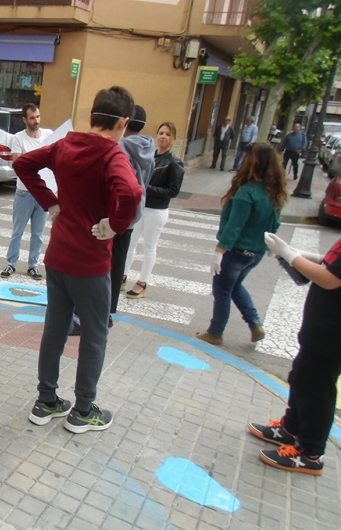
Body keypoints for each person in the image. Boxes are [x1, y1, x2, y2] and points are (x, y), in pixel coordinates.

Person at [13, 86, 142, 433]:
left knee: (55, 328)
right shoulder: (112, 155)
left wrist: (51, 202)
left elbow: (23, 163)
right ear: (123, 123)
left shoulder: (67, 144)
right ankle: (84, 410)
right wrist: (114, 225)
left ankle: (47, 400)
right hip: (90, 262)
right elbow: (131, 192)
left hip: (57, 257)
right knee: (95, 335)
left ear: (92, 116)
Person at [248, 232, 341, 476]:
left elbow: (331, 279)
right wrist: (303, 256)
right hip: (321, 325)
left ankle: (310, 453)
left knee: (316, 390)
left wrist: (291, 255)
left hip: (333, 333)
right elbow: (332, 262)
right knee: (301, 378)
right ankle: (291, 428)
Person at [70, 104, 155, 336]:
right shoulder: (148, 148)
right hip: (131, 216)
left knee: (99, 266)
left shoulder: (120, 148)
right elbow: (143, 185)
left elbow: (122, 186)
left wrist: (112, 218)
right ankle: (106, 312)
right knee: (117, 265)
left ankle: (87, 316)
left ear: (123, 123)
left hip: (113, 216)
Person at [195, 143, 287, 346]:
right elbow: (276, 224)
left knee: (222, 290)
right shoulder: (273, 192)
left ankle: (215, 332)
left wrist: (219, 251)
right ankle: (255, 324)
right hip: (257, 252)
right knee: (235, 286)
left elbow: (235, 226)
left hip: (237, 251)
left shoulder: (248, 192)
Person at [124, 122, 185, 299]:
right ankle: (123, 275)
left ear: (172, 138)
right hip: (142, 207)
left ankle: (142, 283)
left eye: (167, 134)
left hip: (157, 210)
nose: (163, 137)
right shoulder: (151, 156)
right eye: (160, 133)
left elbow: (173, 191)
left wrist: (147, 188)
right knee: (130, 244)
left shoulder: (174, 163)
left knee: (149, 247)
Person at [1, 103, 53, 281]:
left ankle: (33, 265)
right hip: (24, 192)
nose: (36, 121)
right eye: (32, 118)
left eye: (38, 116)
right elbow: (18, 164)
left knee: (38, 233)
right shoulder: (18, 138)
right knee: (18, 231)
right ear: (25, 119)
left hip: (43, 192)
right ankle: (11, 264)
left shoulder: (48, 135)